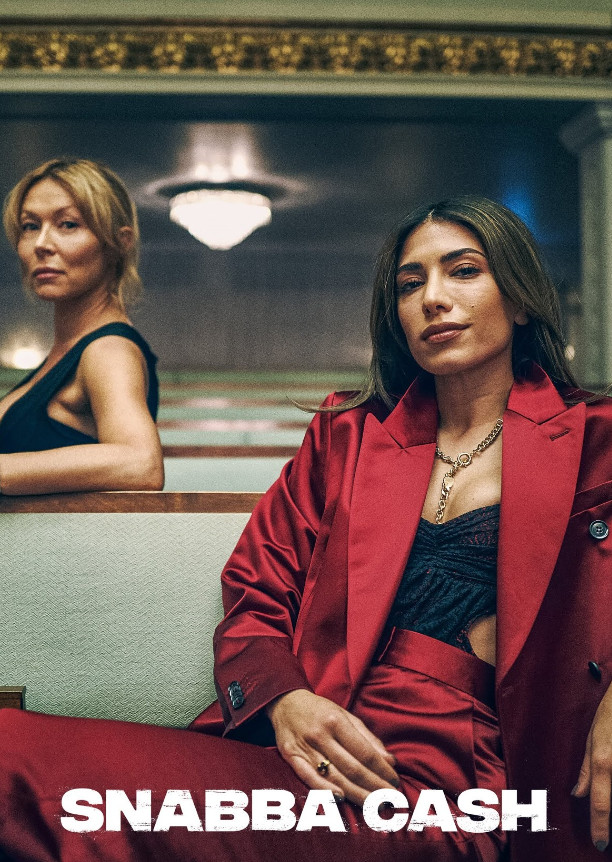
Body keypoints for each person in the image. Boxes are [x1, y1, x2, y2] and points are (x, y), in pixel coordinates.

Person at [0, 195, 610, 862]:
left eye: (463, 271)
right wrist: (285, 699)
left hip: (460, 792)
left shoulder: (597, 439)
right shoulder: (346, 435)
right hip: (309, 757)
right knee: (13, 752)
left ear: (519, 298)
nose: (433, 299)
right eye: (410, 284)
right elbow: (256, 591)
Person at [0, 157, 163, 494]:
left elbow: (140, 463)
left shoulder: (109, 350)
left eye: (68, 224)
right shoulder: (67, 352)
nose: (42, 244)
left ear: (119, 243)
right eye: (30, 226)